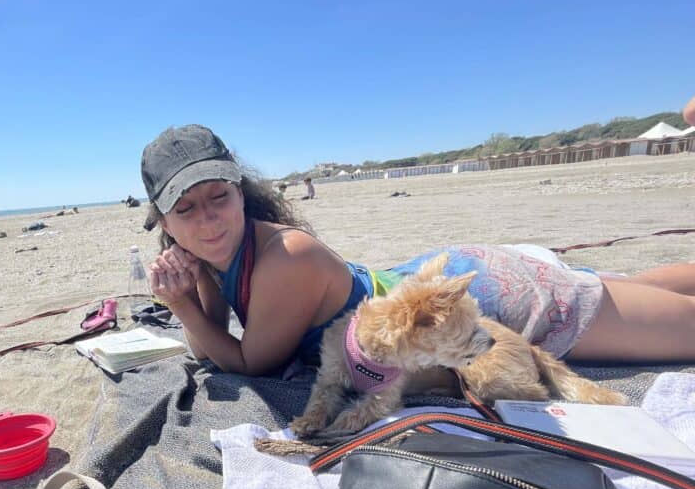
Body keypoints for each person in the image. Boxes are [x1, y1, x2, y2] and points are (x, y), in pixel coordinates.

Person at [142, 124, 695, 376]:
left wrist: (182, 306)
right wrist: (192, 287)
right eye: (185, 209)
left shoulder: (287, 256)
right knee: (629, 290)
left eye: (219, 197)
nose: (208, 219)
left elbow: (249, 363)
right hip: (433, 285)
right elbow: (205, 347)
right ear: (162, 219)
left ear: (242, 194)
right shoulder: (218, 255)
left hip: (474, 301)